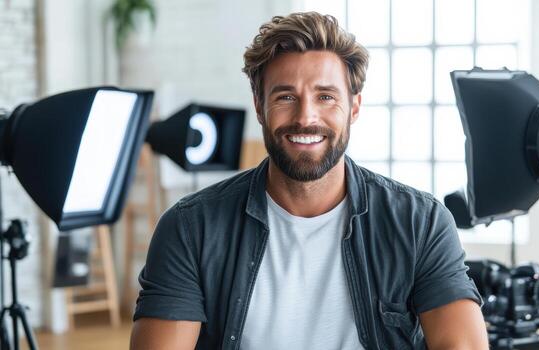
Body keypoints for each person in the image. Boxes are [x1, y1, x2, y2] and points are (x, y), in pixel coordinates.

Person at [130, 11, 488, 350]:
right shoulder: (191, 227)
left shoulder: (420, 222)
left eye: (326, 97)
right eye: (286, 96)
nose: (306, 117)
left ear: (355, 107)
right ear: (259, 106)